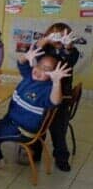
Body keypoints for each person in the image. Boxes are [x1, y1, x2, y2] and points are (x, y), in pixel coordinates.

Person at [0, 44, 71, 169]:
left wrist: (57, 82)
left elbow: (55, 101)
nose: (40, 70)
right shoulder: (30, 76)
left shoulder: (47, 88)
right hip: (12, 121)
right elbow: (21, 63)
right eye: (39, 65)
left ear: (53, 75)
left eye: (47, 69)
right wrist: (25, 56)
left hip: (23, 129)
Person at [34, 22, 80, 171]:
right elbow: (35, 52)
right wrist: (45, 40)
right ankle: (35, 151)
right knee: (38, 124)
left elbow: (70, 58)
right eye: (55, 34)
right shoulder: (45, 49)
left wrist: (67, 46)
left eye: (61, 35)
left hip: (61, 96)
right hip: (42, 93)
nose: (58, 38)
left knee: (58, 129)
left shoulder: (72, 52)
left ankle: (61, 157)